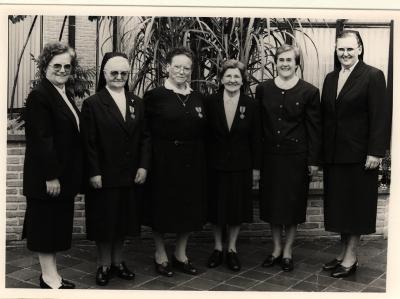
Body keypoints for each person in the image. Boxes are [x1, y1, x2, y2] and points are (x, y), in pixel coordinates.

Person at [321, 30, 391, 278]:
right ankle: (342, 254)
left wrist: (375, 152)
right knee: (340, 208)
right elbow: (327, 118)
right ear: (336, 50)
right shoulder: (330, 78)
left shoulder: (372, 75)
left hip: (361, 157)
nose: (345, 54)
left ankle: (351, 257)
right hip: (335, 156)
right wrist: (322, 154)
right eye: (341, 49)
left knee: (356, 208)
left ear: (360, 49)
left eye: (350, 49)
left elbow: (380, 117)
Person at [81, 52, 151, 286]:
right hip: (104, 175)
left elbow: (145, 138)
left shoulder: (137, 103)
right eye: (114, 73)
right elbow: (88, 142)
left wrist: (143, 166)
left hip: (130, 175)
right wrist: (94, 172)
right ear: (104, 74)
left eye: (123, 73)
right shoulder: (92, 103)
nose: (119, 77)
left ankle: (118, 262)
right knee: (104, 222)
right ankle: (103, 265)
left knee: (123, 222)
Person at [22, 41, 83, 289]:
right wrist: (51, 176)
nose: (62, 70)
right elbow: (40, 139)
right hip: (46, 178)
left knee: (54, 227)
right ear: (45, 66)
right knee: (46, 227)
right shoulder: (40, 95)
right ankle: (48, 278)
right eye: (56, 65)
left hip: (60, 175)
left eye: (67, 66)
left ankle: (51, 275)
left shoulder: (62, 93)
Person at [256, 44, 322, 272]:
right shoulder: (263, 89)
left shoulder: (309, 92)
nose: (285, 64)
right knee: (273, 205)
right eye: (281, 60)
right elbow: (258, 128)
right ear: (276, 62)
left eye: (289, 60)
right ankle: (275, 249)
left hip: (296, 158)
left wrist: (313, 161)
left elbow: (314, 129)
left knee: (293, 206)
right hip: (271, 158)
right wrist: (257, 163)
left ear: (296, 64)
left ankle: (288, 251)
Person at [143, 47, 207, 277]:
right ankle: (160, 254)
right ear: (167, 67)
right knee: (161, 209)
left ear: (191, 71)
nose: (182, 71)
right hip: (163, 162)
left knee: (188, 210)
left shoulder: (198, 97)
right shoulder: (155, 96)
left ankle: (181, 254)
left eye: (186, 68)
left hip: (192, 162)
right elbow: (145, 133)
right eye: (177, 66)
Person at [204, 59, 261, 271]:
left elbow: (256, 138)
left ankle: (232, 249)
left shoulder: (251, 104)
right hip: (215, 165)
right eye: (228, 76)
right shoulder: (210, 102)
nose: (232, 80)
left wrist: (256, 169)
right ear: (221, 79)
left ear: (243, 80)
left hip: (241, 166)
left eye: (237, 76)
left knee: (236, 209)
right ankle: (218, 248)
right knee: (217, 208)